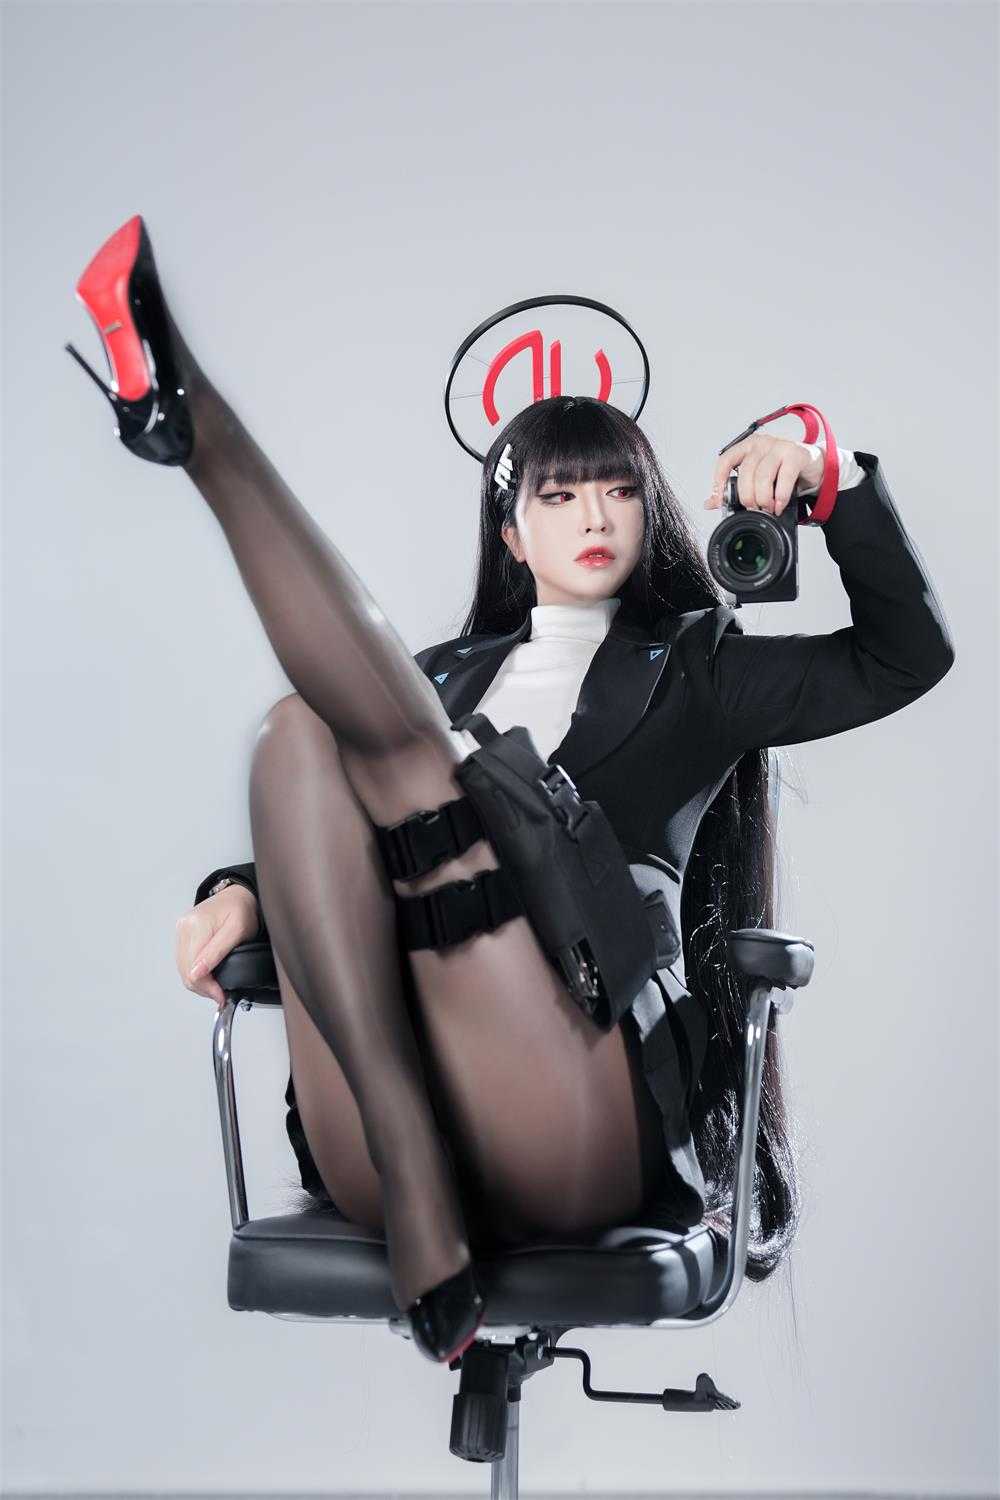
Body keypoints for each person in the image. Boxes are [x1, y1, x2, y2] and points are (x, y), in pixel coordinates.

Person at [65, 214, 955, 1367]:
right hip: (385, 1119)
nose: (592, 516)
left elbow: (902, 659)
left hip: (575, 1098)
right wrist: (240, 894)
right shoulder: (430, 682)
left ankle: (199, 431)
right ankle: (409, 1145)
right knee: (299, 731)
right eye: (559, 495)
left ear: (649, 511)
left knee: (383, 742)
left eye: (618, 492)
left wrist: (829, 477)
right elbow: (342, 828)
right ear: (510, 529)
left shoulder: (698, 669)